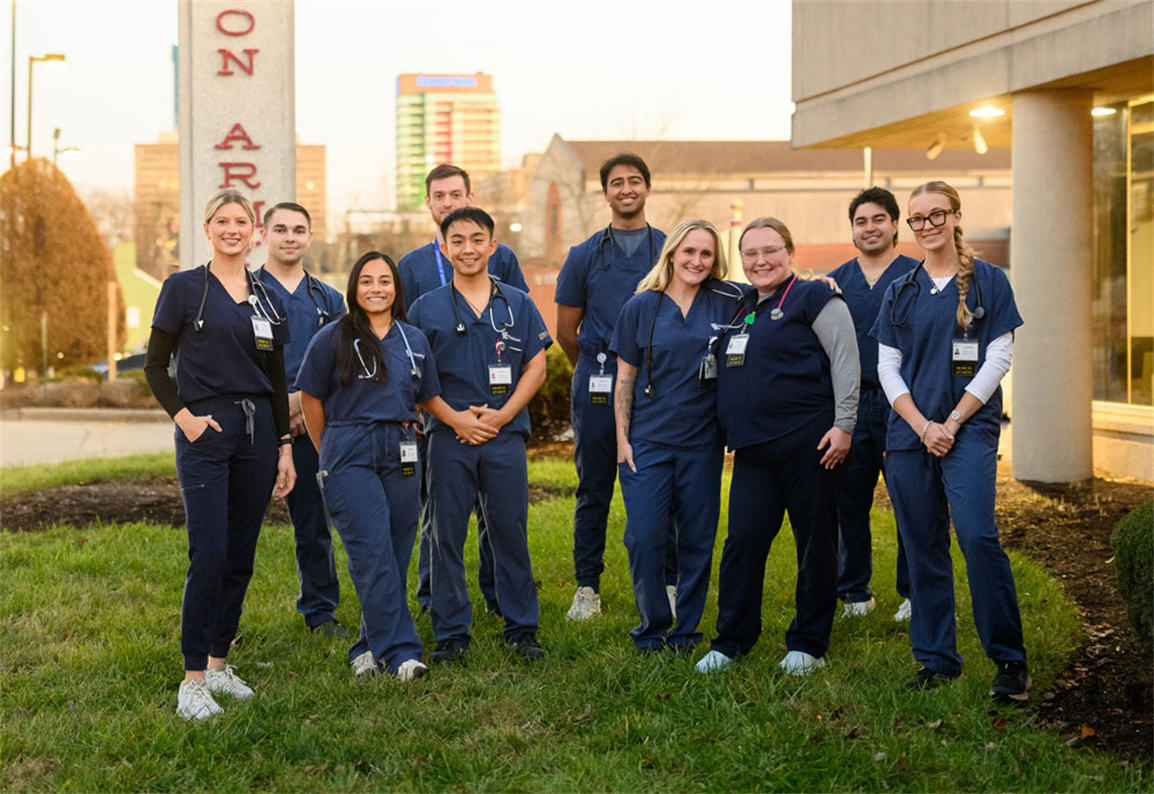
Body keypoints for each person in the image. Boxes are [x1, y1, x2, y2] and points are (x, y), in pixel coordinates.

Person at [871, 181, 1029, 703]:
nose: (926, 226)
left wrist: (953, 422)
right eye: (916, 219)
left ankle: (1009, 660)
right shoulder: (901, 289)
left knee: (978, 537)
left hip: (970, 429)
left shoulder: (989, 281)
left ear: (957, 216)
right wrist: (922, 426)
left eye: (936, 215)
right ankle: (937, 659)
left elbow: (999, 359)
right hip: (911, 434)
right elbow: (887, 368)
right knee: (922, 547)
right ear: (909, 227)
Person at [144, 188, 296, 720]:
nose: (233, 229)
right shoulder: (183, 289)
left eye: (242, 221)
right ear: (207, 228)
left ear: (254, 232)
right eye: (222, 221)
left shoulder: (266, 297)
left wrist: (284, 447)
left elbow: (277, 380)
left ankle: (218, 664)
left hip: (258, 437)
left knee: (240, 554)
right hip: (206, 431)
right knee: (208, 553)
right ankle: (191, 681)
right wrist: (185, 418)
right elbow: (154, 366)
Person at [695, 217, 859, 677]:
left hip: (812, 444)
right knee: (743, 543)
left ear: (790, 251)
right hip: (752, 452)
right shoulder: (740, 305)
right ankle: (732, 641)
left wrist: (844, 425)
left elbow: (846, 359)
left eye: (770, 250)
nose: (760, 260)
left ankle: (808, 642)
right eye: (750, 253)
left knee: (815, 544)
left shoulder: (814, 296)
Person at [408, 206, 552, 662]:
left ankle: (521, 628)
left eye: (476, 240)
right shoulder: (424, 308)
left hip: (504, 436)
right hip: (449, 439)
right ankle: (451, 632)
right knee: (445, 535)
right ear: (445, 247)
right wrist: (456, 420)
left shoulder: (518, 302)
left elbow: (537, 364)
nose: (467, 248)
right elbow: (415, 379)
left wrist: (502, 415)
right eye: (457, 241)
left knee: (509, 531)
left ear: (493, 246)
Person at [295, 252, 439, 681]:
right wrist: (330, 452)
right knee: (370, 551)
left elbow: (426, 397)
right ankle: (401, 654)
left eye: (385, 281)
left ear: (397, 288)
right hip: (348, 448)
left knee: (394, 553)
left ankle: (366, 647)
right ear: (354, 289)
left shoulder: (413, 338)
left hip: (400, 449)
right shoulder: (332, 337)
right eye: (367, 281)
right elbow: (310, 399)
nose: (376, 288)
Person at [399, 164, 529, 616]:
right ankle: (437, 601)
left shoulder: (506, 264)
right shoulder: (412, 269)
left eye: (457, 194)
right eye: (440, 195)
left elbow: (523, 342)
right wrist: (440, 413)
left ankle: (500, 600)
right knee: (441, 520)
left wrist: (502, 413)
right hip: (440, 417)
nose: (449, 202)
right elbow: (404, 346)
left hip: (498, 416)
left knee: (504, 521)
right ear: (430, 204)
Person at [611, 220, 740, 652]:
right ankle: (652, 628)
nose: (696, 261)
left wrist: (823, 285)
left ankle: (686, 631)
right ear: (671, 254)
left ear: (715, 260)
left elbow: (778, 294)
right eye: (688, 252)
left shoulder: (730, 302)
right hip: (647, 442)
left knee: (698, 538)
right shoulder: (640, 307)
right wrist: (622, 440)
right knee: (645, 537)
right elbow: (624, 378)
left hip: (702, 443)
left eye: (706, 254)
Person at [554, 153, 672, 621]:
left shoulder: (668, 248)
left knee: (664, 484)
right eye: (616, 182)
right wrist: (598, 374)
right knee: (594, 486)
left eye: (635, 181)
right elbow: (566, 331)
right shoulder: (583, 255)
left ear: (647, 188)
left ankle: (669, 581)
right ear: (604, 192)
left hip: (658, 386)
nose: (626, 189)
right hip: (597, 383)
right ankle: (587, 588)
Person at [826, 188, 918, 621]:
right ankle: (854, 591)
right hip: (851, 403)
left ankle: (915, 591)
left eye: (878, 219)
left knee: (911, 500)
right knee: (849, 501)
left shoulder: (918, 276)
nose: (870, 228)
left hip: (904, 404)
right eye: (861, 222)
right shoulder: (833, 282)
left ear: (896, 224)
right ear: (852, 230)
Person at [257, 202, 349, 638]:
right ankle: (223, 614)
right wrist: (280, 405)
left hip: (310, 423)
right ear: (264, 235)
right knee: (235, 524)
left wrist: (300, 403)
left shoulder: (329, 299)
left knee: (313, 522)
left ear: (310, 237)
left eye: (298, 230)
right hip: (255, 422)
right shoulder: (244, 290)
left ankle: (320, 611)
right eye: (280, 229)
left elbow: (340, 365)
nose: (289, 237)